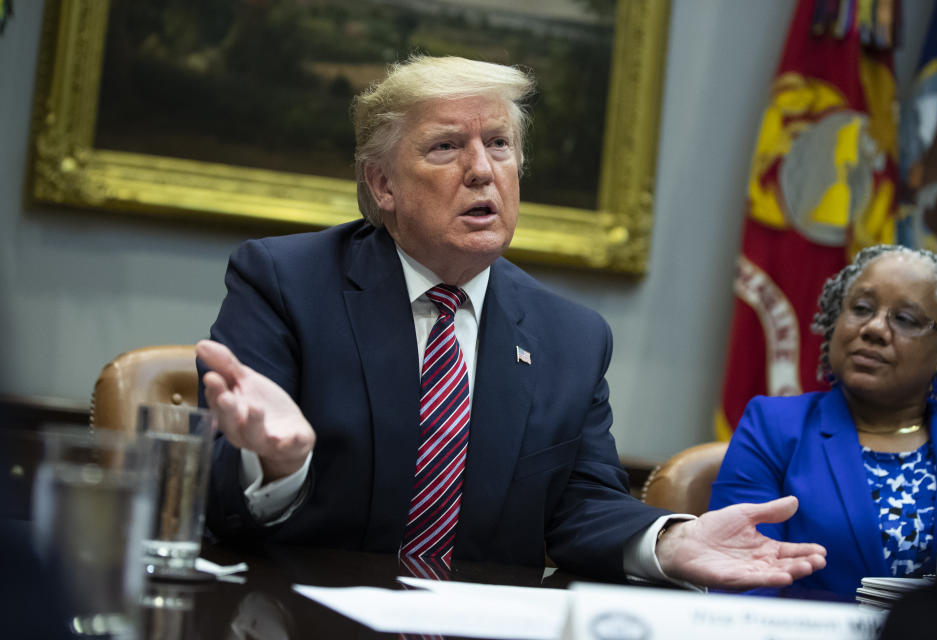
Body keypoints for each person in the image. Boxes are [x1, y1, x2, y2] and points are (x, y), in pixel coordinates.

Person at [197, 55, 826, 589]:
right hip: (300, 615)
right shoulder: (286, 283)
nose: (481, 169)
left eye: (498, 144)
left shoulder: (570, 337)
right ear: (382, 183)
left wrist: (666, 543)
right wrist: (275, 467)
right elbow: (219, 497)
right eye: (446, 146)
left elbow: (581, 506)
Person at [710, 244, 937, 596]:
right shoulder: (774, 427)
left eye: (904, 319)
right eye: (861, 309)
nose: (874, 328)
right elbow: (745, 583)